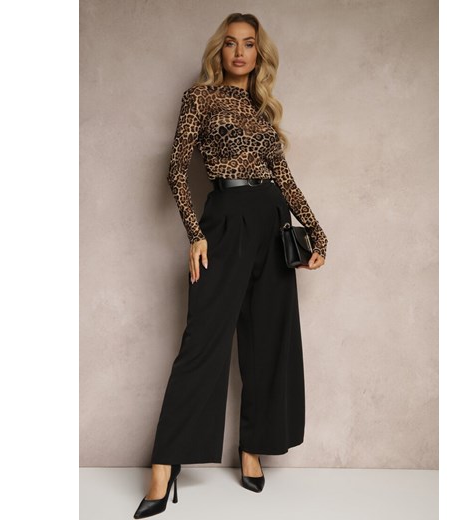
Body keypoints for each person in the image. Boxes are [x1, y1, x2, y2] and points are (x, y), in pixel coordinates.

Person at [134, 12, 328, 519]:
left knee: (268, 340)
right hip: (225, 219)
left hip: (272, 221)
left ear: (259, 54)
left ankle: (252, 448)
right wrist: (195, 233)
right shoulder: (199, 97)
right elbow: (176, 169)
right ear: (218, 50)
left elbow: (283, 177)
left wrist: (316, 231)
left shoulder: (261, 109)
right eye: (230, 43)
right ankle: (164, 465)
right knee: (203, 340)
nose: (239, 52)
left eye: (249, 44)